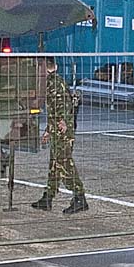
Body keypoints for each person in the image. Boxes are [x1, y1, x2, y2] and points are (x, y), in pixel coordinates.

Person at [31, 58, 88, 215]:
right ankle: (48, 197)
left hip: (63, 129)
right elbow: (54, 108)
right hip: (58, 127)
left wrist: (62, 121)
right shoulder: (50, 81)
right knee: (55, 164)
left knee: (63, 162)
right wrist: (50, 129)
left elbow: (63, 103)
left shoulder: (55, 82)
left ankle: (79, 197)